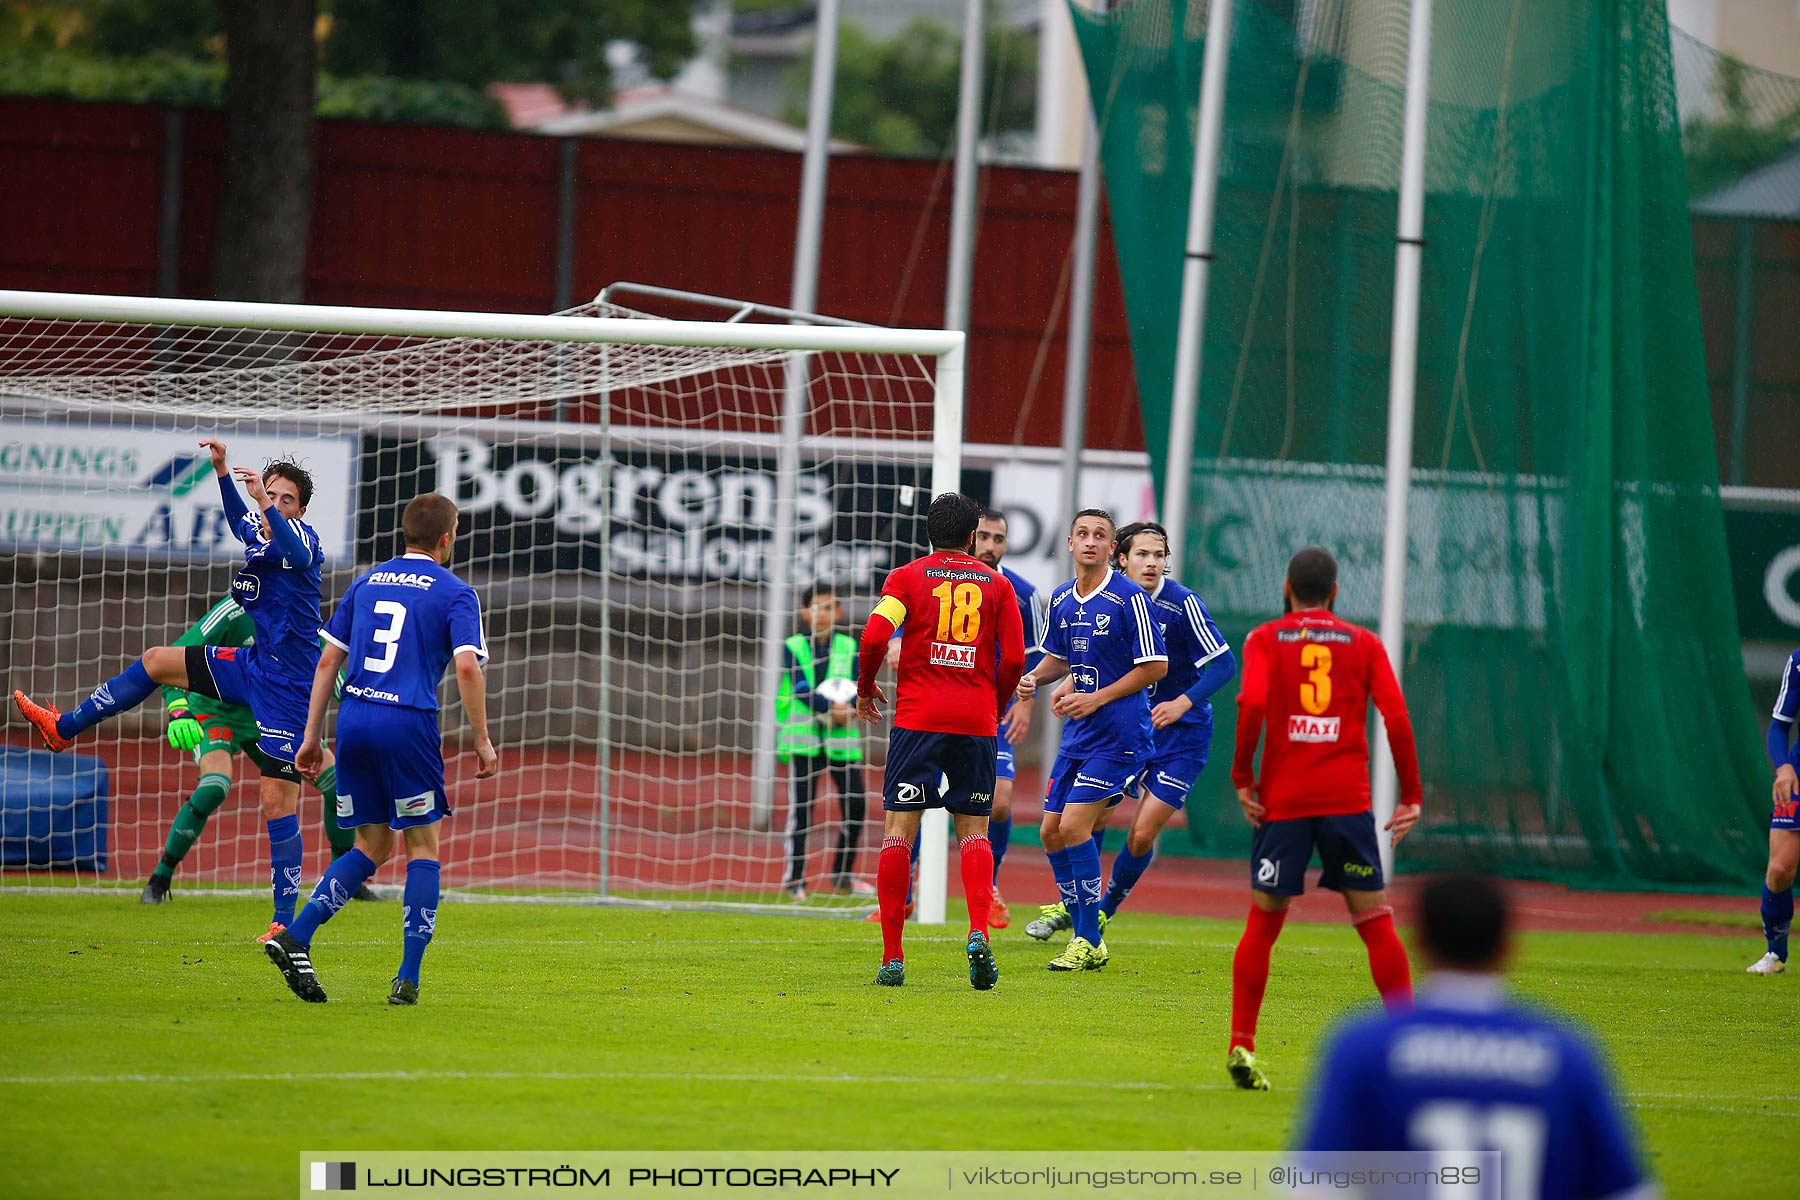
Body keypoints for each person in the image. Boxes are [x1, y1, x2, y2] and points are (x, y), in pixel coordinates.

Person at [14, 438, 324, 940]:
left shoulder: (304, 542)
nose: (275, 504)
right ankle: (63, 728)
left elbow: (288, 546)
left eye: (286, 499)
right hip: (251, 666)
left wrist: (265, 505)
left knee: (277, 802)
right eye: (271, 494)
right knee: (157, 661)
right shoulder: (261, 534)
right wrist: (222, 472)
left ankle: (283, 923)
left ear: (301, 508)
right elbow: (235, 519)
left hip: (290, 691)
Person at [263, 493, 497, 1005]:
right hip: (407, 724)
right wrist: (481, 739)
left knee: (371, 846)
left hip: (355, 721)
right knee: (422, 847)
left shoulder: (366, 583)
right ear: (445, 538)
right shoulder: (456, 593)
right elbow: (465, 668)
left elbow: (327, 663)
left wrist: (310, 737)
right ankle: (408, 977)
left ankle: (295, 937)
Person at [1297, 874, 1658, 1200]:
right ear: (1507, 947)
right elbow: (1628, 1191)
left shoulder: (1364, 1047)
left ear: (1420, 944)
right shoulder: (1566, 1053)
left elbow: (1316, 1185)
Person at [1225, 546, 1421, 1090]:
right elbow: (1397, 718)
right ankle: (1407, 1041)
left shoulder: (1265, 637)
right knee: (1375, 921)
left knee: (1263, 924)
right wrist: (1412, 793)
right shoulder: (1363, 642)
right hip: (1346, 801)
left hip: (1284, 802)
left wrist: (1244, 775)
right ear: (1335, 592)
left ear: (1287, 587)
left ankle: (1243, 1044)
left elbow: (1253, 703)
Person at [855, 491, 1025, 989]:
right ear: (973, 536)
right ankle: (977, 933)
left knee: (898, 833)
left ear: (930, 533)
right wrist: (991, 707)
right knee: (974, 831)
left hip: (917, 721)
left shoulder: (905, 578)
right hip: (974, 723)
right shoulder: (998, 585)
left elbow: (872, 637)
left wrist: (866, 689)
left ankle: (892, 958)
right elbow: (1013, 659)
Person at [140, 593, 370, 905]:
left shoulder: (300, 613)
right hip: (215, 711)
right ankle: (160, 879)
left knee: (336, 785)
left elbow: (331, 672)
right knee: (215, 786)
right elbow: (171, 657)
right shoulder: (235, 609)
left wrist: (367, 716)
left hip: (269, 714)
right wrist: (179, 709)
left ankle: (345, 881)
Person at [1016, 508, 1167, 971]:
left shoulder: (1128, 598)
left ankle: (1085, 938)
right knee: (1050, 831)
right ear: (1068, 542)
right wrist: (1031, 679)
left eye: (1100, 535)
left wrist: (1096, 698)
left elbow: (1155, 666)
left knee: (1075, 828)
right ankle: (1084, 925)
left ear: (1112, 550)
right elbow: (1058, 658)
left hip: (1120, 735)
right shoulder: (1062, 597)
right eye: (1082, 533)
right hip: (1080, 734)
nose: (1089, 541)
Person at [774, 584, 870, 901]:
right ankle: (795, 880)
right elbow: (800, 687)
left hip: (842, 742)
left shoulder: (848, 646)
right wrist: (832, 709)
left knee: (855, 805)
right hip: (804, 740)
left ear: (838, 612)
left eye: (829, 608)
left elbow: (861, 685)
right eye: (816, 607)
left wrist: (853, 707)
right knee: (801, 811)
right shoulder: (792, 646)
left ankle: (842, 874)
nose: (823, 614)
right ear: (805, 613)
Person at [1751, 647, 1800, 973]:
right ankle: (1775, 953)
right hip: (1798, 775)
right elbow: (1778, 726)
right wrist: (1783, 768)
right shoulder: (1799, 660)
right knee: (1780, 869)